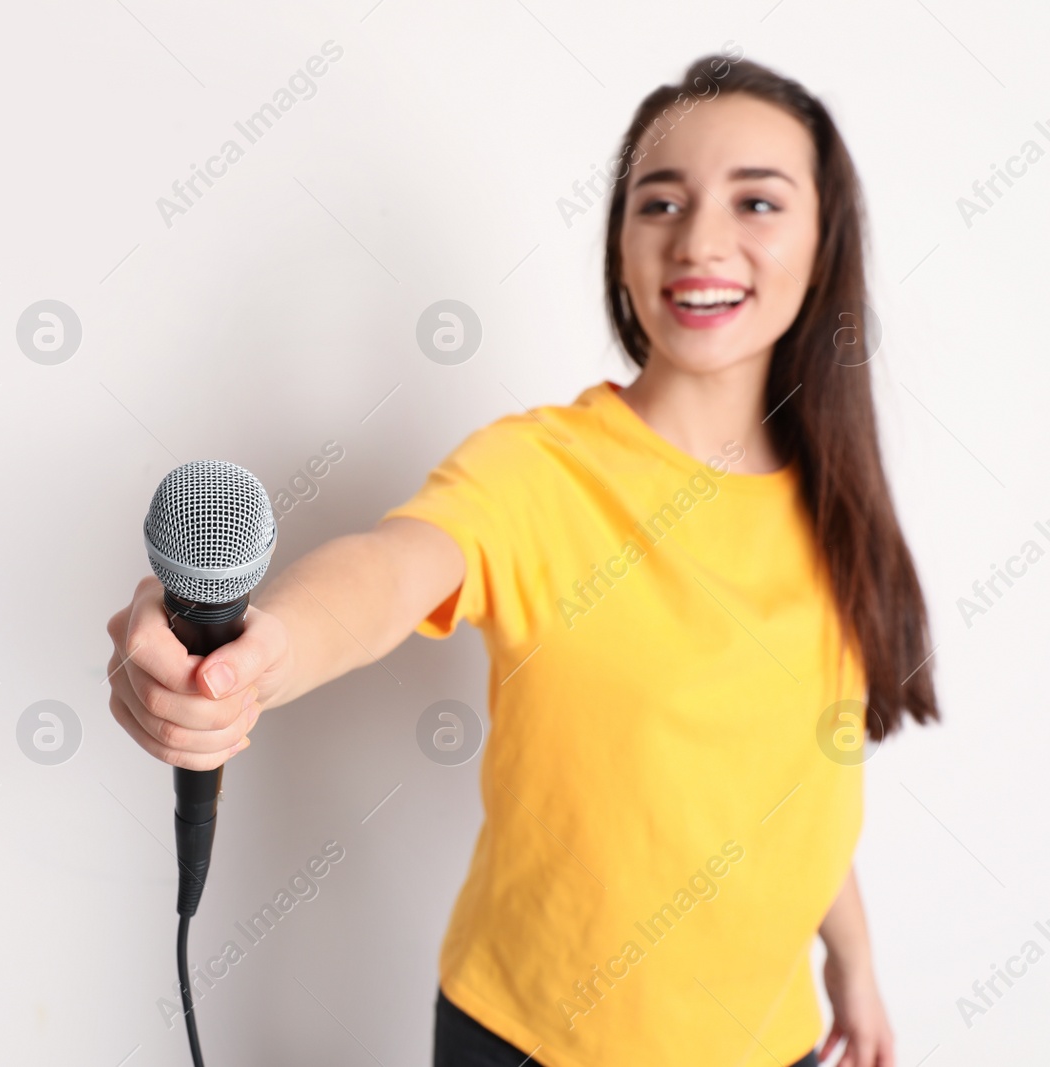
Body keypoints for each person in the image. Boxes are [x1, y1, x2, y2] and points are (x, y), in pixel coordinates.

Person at [105, 53, 937, 1067]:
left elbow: (796, 777)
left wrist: (850, 961)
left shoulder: (835, 505)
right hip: (534, 1039)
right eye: (658, 201)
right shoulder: (539, 469)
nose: (701, 239)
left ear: (823, 242)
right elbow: (387, 570)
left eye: (756, 200)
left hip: (779, 1045)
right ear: (620, 248)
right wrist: (261, 650)